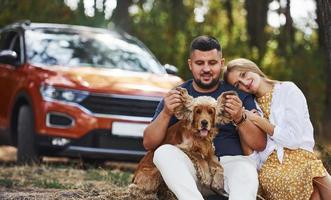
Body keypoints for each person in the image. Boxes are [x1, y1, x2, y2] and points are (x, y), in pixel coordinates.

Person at [143, 36, 266, 200]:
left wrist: (239, 117)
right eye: (200, 63)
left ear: (221, 64)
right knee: (163, 153)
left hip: (230, 166)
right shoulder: (178, 95)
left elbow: (259, 144)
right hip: (192, 170)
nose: (206, 69)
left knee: (247, 170)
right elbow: (148, 143)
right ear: (190, 65)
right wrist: (166, 113)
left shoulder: (237, 95)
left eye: (212, 63)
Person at [223, 58, 331, 200]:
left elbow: (293, 140)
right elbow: (252, 155)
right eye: (238, 85)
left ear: (252, 67)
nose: (245, 83)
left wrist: (257, 120)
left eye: (243, 74)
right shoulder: (249, 108)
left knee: (313, 175)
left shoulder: (288, 90)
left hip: (301, 156)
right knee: (311, 177)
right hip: (271, 168)